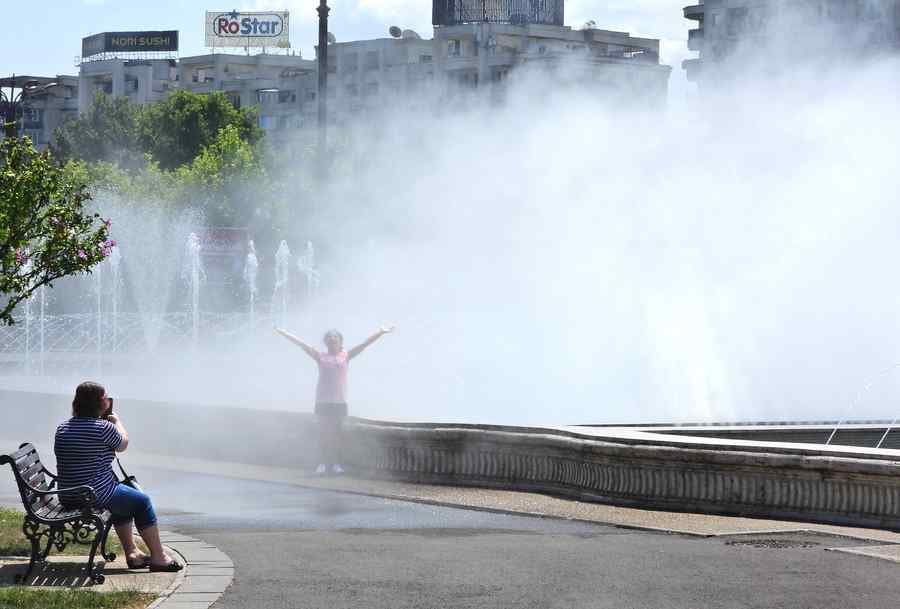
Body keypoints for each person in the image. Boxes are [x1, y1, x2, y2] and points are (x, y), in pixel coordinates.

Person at [54, 382, 182, 572]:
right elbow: (122, 444)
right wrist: (117, 422)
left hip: (68, 494)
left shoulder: (63, 428)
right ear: (100, 403)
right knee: (141, 502)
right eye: (106, 397)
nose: (108, 400)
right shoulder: (104, 428)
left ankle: (133, 553)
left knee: (124, 500)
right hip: (94, 494)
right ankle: (159, 557)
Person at [275, 326, 394, 474]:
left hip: (340, 401)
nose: (332, 339)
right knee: (324, 433)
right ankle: (323, 463)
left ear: (340, 341)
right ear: (326, 342)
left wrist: (380, 332)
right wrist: (283, 332)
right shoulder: (320, 356)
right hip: (323, 400)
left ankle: (336, 463)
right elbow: (301, 344)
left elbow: (364, 344)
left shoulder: (346, 355)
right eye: (329, 337)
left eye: (335, 337)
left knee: (338, 433)